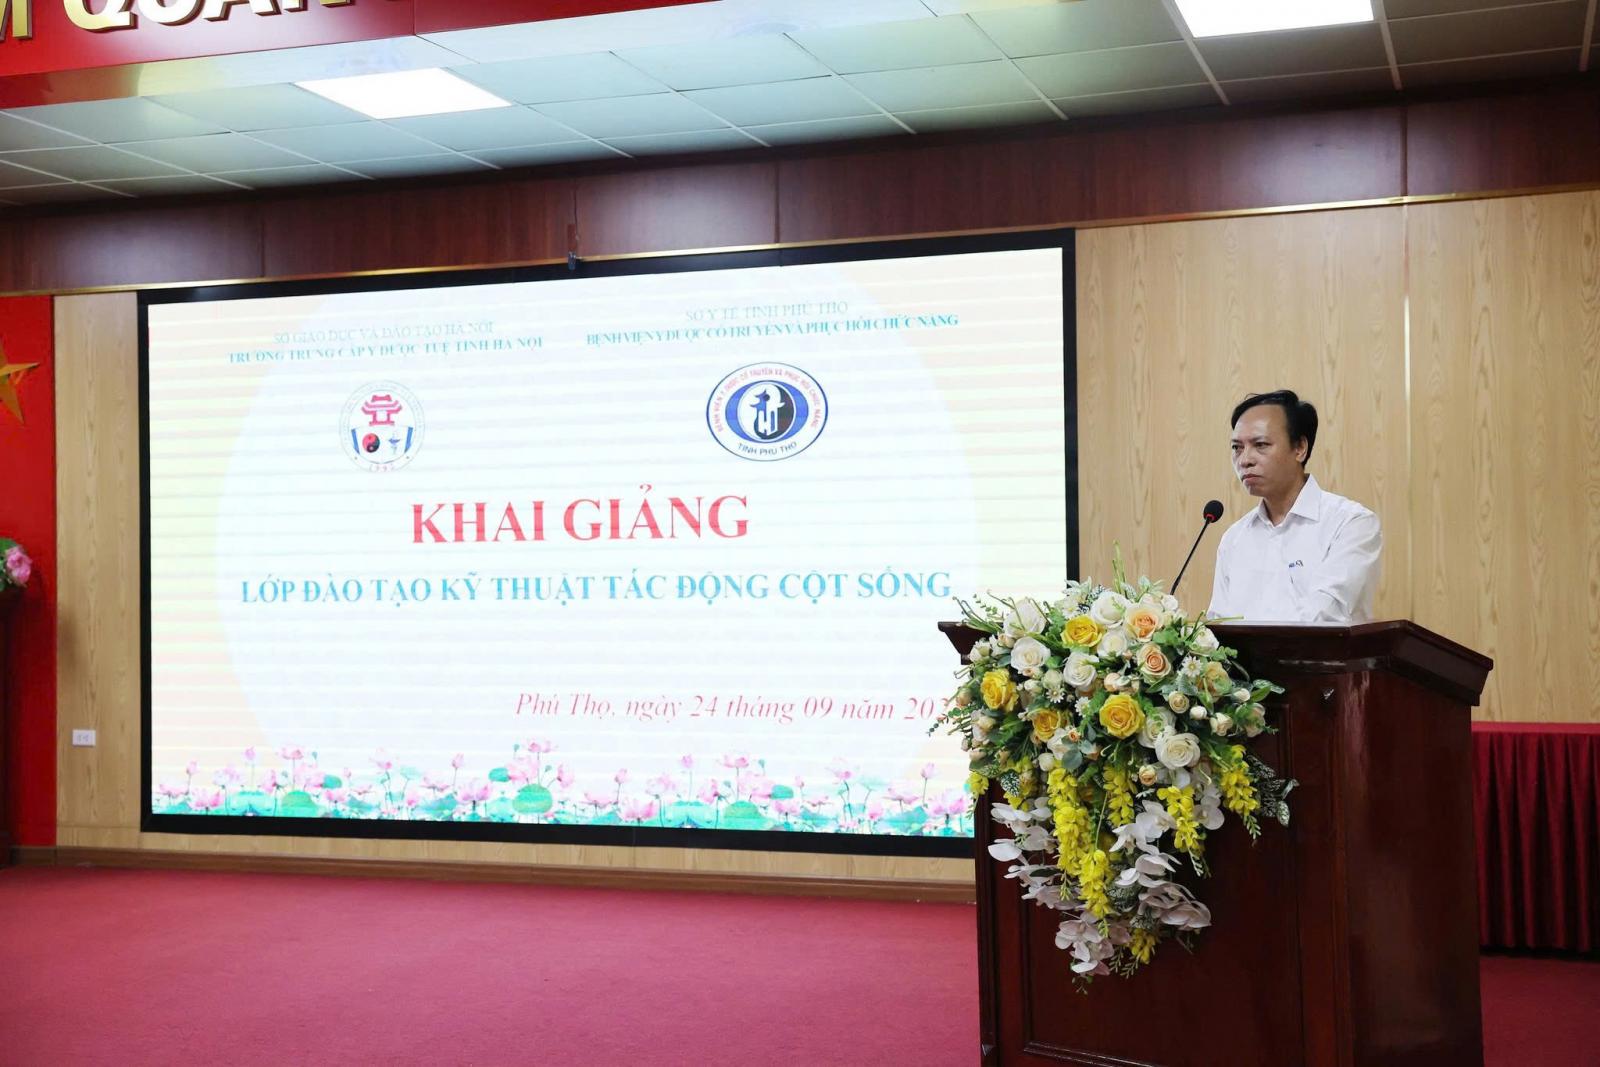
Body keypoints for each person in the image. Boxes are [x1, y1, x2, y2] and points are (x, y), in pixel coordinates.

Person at [1208, 390, 1381, 624]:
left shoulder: (1350, 523)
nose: (1245, 460)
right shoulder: (1234, 539)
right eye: (1237, 448)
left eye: (1260, 445)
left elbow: (1325, 617)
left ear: (1300, 448)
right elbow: (1218, 623)